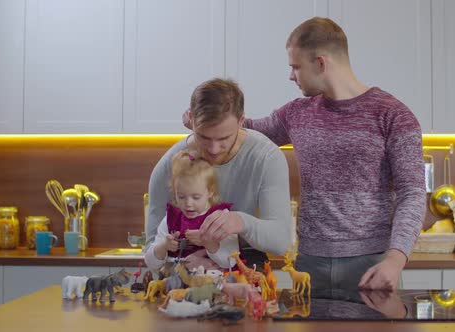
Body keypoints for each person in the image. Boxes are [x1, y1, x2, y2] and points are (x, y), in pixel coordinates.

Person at [184, 18, 426, 289]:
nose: (291, 75)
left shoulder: (393, 115)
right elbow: (244, 128)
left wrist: (395, 260)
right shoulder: (297, 113)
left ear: (320, 63)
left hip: (373, 263)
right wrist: (201, 122)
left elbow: (413, 193)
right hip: (310, 263)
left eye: (295, 66)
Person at [146, 78, 292, 269]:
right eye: (204, 137)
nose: (214, 149)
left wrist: (241, 222)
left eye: (224, 138)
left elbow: (280, 242)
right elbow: (151, 247)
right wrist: (184, 266)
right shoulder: (169, 166)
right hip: (183, 272)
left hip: (246, 267)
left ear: (241, 121)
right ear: (190, 119)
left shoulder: (266, 158)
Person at [144, 150, 239, 271]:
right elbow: (151, 263)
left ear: (210, 191)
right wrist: (163, 246)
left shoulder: (221, 218)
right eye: (181, 197)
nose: (188, 204)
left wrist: (208, 243)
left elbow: (231, 261)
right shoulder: (171, 219)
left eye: (196, 197)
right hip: (176, 287)